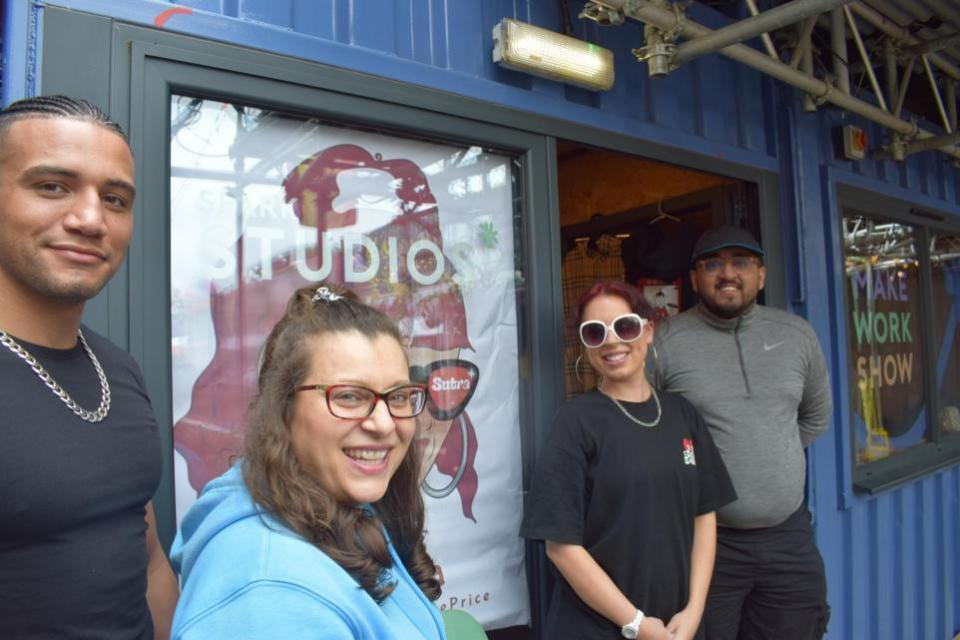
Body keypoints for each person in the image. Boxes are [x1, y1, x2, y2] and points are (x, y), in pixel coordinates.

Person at [170, 285, 447, 639]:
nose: (384, 424)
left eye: (398, 396)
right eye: (348, 396)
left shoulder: (334, 504)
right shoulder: (270, 596)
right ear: (283, 409)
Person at [0, 95, 178, 638]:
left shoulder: (117, 370)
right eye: (52, 186)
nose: (90, 219)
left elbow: (145, 558)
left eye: (115, 198)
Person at [521, 280, 737, 640]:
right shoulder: (575, 423)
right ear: (585, 345)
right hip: (599, 630)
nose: (611, 341)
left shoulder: (683, 414)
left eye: (624, 326)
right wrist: (636, 624)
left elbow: (704, 515)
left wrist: (695, 609)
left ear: (648, 331)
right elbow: (561, 548)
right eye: (595, 332)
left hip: (678, 627)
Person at [654, 225, 833, 640]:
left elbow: (816, 416)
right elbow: (648, 430)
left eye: (742, 262)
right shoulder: (666, 342)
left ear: (762, 276)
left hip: (789, 539)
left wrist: (769, 453)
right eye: (712, 264)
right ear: (695, 278)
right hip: (706, 546)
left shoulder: (797, 335)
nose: (728, 273)